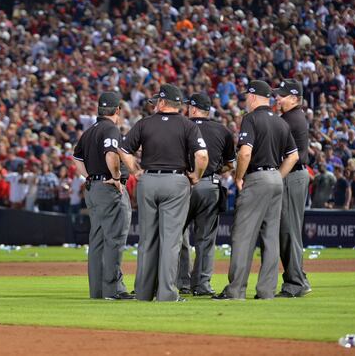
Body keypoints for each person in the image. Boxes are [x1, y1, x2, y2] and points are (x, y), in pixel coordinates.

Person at [120, 84, 208, 302]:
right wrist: (196, 175)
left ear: (161, 102)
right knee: (171, 241)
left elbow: (123, 150)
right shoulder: (188, 125)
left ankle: (143, 292)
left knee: (147, 239)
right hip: (176, 181)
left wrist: (136, 171)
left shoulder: (144, 123)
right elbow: (203, 156)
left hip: (148, 180)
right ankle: (167, 293)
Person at [214, 80, 299, 300]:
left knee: (243, 236)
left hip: (256, 178)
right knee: (270, 238)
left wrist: (239, 177)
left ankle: (236, 290)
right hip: (274, 179)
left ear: (252, 96)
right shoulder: (281, 122)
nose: (244, 100)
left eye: (246, 97)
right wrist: (277, 176)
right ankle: (266, 291)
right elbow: (293, 156)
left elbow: (244, 153)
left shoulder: (251, 119)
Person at [73, 91, 134, 300]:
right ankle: (114, 289)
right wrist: (116, 176)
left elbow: (76, 159)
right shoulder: (110, 129)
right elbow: (110, 154)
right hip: (108, 188)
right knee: (114, 239)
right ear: (117, 110)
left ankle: (98, 291)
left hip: (92, 188)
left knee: (97, 239)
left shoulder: (90, 131)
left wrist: (89, 176)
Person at [178, 93, 235, 296]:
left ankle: (180, 282)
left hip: (182, 184)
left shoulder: (181, 127)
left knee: (176, 235)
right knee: (205, 238)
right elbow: (231, 163)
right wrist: (216, 169)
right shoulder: (222, 130)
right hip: (209, 185)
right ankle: (201, 285)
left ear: (193, 109)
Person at [274, 79, 312, 298]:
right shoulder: (290, 117)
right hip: (294, 175)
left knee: (288, 230)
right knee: (289, 230)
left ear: (295, 98)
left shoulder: (291, 119)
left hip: (291, 175)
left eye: (283, 95)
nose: (278, 97)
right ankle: (300, 278)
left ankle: (295, 283)